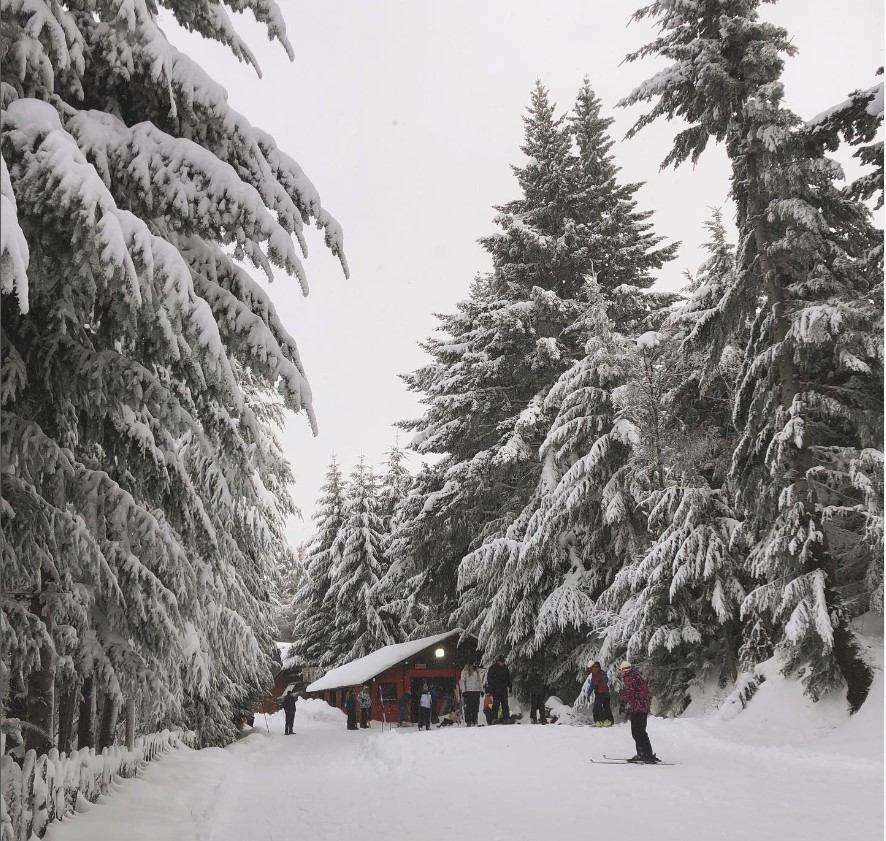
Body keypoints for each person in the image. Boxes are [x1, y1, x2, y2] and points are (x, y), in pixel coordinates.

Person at [620, 661, 658, 762]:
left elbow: (631, 691)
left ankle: (642, 754)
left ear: (623, 670)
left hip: (638, 708)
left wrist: (624, 701)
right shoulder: (637, 675)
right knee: (642, 731)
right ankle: (648, 753)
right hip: (643, 707)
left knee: (636, 732)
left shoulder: (629, 677)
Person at [486, 655, 512, 724]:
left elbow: (508, 678)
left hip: (503, 689)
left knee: (505, 704)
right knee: (496, 704)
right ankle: (494, 718)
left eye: (503, 662)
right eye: (501, 662)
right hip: (495, 689)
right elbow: (489, 679)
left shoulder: (505, 668)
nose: (502, 663)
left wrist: (510, 686)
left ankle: (506, 717)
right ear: (498, 661)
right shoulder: (492, 668)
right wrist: (490, 688)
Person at [588, 661, 613, 727]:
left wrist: (588, 693)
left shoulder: (595, 673)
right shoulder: (602, 672)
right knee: (606, 707)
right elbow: (606, 680)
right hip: (606, 692)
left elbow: (592, 685)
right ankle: (610, 720)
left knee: (597, 708)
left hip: (600, 692)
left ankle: (600, 721)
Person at [459, 660, 483, 727]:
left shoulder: (476, 672)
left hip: (476, 690)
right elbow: (462, 682)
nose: (474, 665)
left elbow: (479, 681)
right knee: (469, 707)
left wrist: (481, 690)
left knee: (475, 706)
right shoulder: (465, 672)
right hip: (468, 691)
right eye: (473, 664)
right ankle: (468, 721)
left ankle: (475, 720)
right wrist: (463, 691)